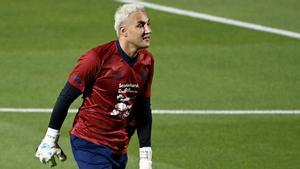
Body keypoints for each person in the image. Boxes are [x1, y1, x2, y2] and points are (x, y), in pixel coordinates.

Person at [35, 3, 154, 169]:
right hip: (89, 141)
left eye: (148, 24)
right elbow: (66, 96)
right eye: (140, 25)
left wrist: (145, 159)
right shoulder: (96, 58)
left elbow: (143, 110)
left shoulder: (147, 61)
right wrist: (50, 137)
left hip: (119, 146)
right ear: (123, 31)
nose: (148, 30)